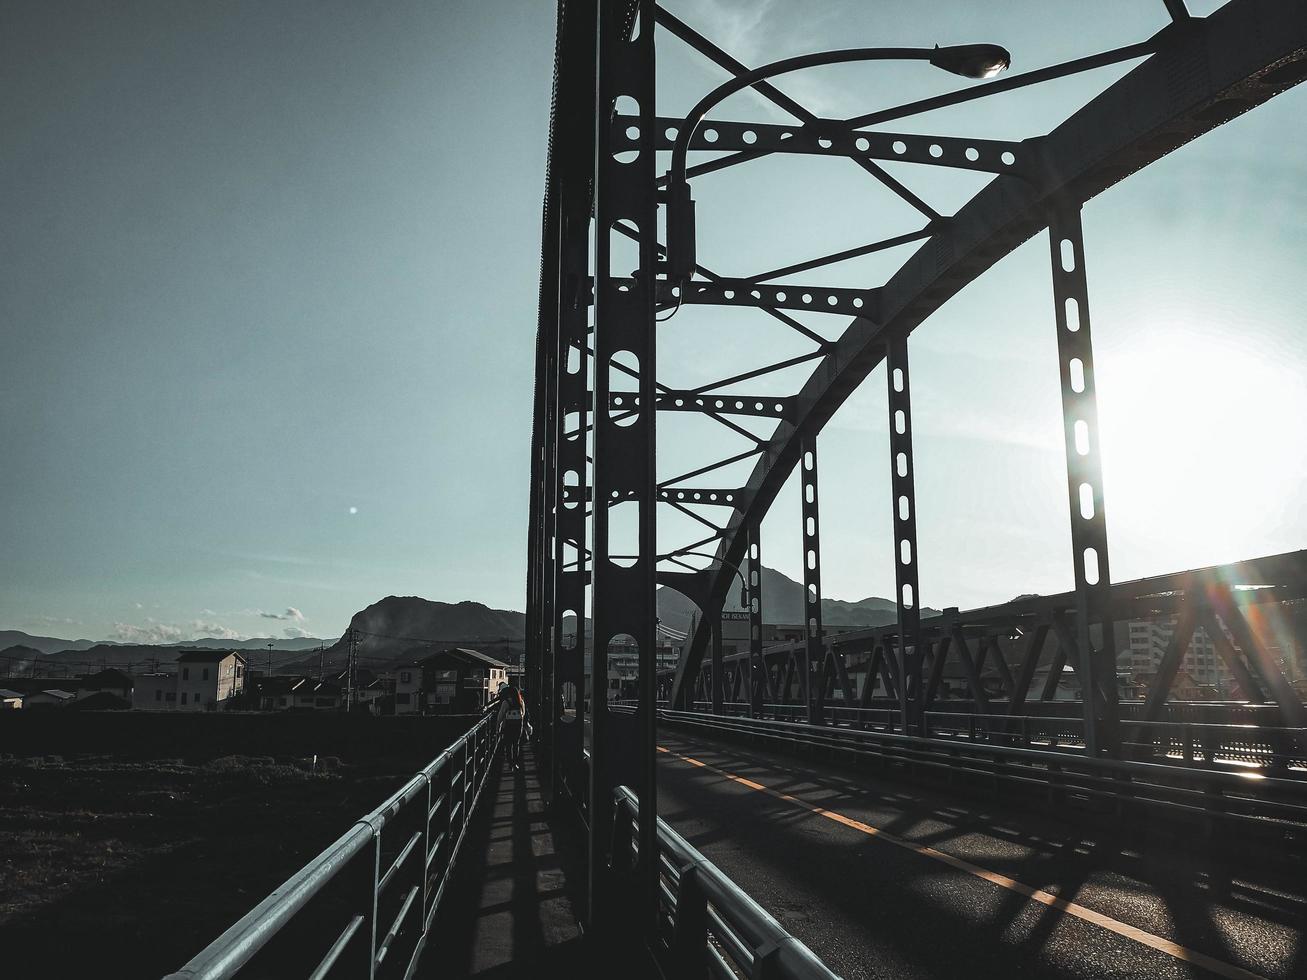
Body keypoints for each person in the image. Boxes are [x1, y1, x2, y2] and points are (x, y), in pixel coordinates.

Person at [496, 680, 527, 771]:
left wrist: (498, 727)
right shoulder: (521, 702)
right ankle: (515, 762)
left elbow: (500, 716)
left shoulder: (506, 702)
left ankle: (510, 763)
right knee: (516, 744)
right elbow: (523, 713)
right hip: (518, 725)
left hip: (509, 725)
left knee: (508, 744)